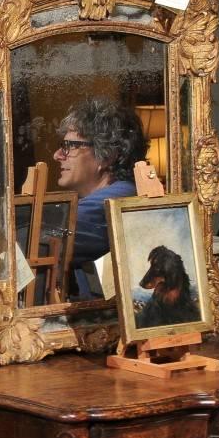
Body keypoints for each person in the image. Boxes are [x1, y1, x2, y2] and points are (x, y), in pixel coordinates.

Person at [53, 98, 147, 297]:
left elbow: (38, 241)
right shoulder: (122, 192)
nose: (57, 155)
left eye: (70, 146)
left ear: (107, 156)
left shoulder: (115, 200)